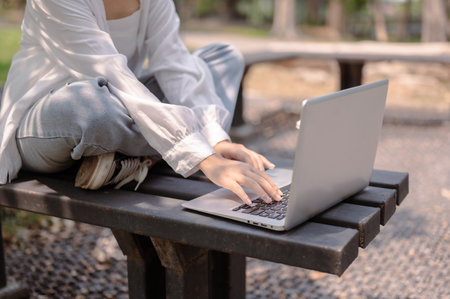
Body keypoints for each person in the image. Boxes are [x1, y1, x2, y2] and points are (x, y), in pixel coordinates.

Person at [0, 0, 282, 205]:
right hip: (55, 122)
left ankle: (131, 157)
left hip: (123, 104)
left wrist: (215, 140)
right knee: (91, 106)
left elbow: (175, 66)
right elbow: (112, 77)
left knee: (223, 57)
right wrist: (206, 158)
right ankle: (158, 152)